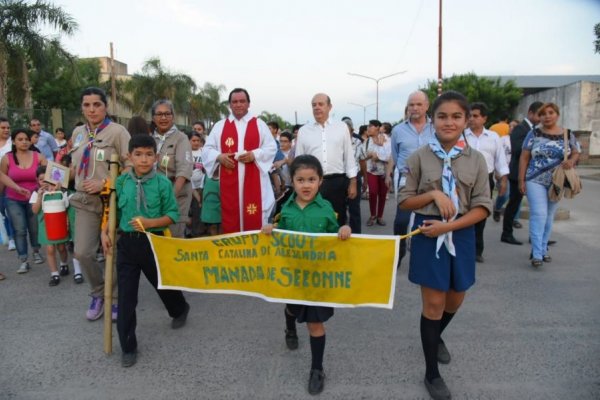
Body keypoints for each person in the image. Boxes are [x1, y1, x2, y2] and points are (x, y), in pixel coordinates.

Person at [399, 91, 492, 400]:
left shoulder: (477, 160)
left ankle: (435, 336)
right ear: (432, 120)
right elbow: (404, 200)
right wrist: (433, 195)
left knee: (455, 300)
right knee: (434, 305)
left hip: (460, 234)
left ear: (466, 120)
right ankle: (431, 373)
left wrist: (449, 226)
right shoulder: (419, 156)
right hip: (428, 233)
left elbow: (482, 207)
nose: (449, 122)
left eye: (456, 116)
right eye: (442, 116)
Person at [262, 154, 351, 395]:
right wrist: (272, 229)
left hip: (318, 279)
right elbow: (279, 232)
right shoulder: (285, 207)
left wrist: (344, 229)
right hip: (292, 276)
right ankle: (290, 325)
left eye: (312, 179)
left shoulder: (326, 210)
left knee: (315, 323)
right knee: (292, 308)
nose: (306, 185)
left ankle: (316, 369)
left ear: (320, 181)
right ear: (292, 181)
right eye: (300, 180)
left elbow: (336, 236)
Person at [101, 134, 190, 368]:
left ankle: (179, 309)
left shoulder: (162, 183)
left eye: (149, 154)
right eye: (138, 154)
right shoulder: (120, 182)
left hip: (154, 241)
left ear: (156, 157)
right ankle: (128, 346)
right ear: (129, 157)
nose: (143, 159)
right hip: (127, 245)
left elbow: (172, 214)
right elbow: (112, 213)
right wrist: (104, 232)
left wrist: (149, 223)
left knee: (163, 285)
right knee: (127, 298)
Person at [70, 86, 131, 321]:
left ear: (105, 107)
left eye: (97, 104)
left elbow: (130, 166)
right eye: (87, 105)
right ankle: (98, 293)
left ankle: (114, 298)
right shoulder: (78, 133)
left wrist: (105, 182)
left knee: (111, 252)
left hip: (111, 201)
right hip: (84, 201)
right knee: (82, 253)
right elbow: (75, 167)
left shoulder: (117, 132)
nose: (92, 109)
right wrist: (55, 180)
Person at [202, 88, 277, 233]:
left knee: (254, 220)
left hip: (255, 183)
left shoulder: (259, 124)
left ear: (248, 104)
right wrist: (219, 157)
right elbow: (207, 149)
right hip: (229, 183)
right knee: (231, 219)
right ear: (230, 105)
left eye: (242, 101)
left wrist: (254, 154)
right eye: (234, 102)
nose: (238, 104)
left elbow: (271, 148)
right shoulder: (220, 126)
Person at [519, 102, 580, 267]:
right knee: (539, 214)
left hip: (557, 181)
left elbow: (576, 152)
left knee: (548, 216)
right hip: (535, 179)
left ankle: (543, 248)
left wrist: (572, 161)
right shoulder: (533, 134)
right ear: (539, 117)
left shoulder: (568, 134)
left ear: (557, 115)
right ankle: (537, 253)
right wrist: (521, 180)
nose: (547, 116)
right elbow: (524, 158)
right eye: (543, 114)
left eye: (551, 113)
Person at [385, 91, 435, 268]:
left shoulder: (435, 128)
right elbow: (396, 156)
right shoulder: (398, 130)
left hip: (432, 182)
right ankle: (398, 253)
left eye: (419, 104)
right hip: (407, 180)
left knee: (427, 219)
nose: (414, 108)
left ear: (427, 106)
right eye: (411, 104)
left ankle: (422, 256)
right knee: (402, 221)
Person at [294, 93, 358, 226]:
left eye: (321, 104)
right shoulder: (304, 131)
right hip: (313, 184)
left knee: (337, 219)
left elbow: (348, 156)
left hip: (337, 182)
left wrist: (353, 181)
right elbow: (299, 161)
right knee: (314, 219)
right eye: (314, 105)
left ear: (330, 107)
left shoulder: (341, 127)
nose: (317, 107)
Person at [464, 102, 508, 263]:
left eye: (476, 116)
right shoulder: (461, 135)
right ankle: (463, 247)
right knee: (463, 213)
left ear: (484, 118)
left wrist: (503, 181)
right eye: (469, 116)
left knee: (480, 214)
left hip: (485, 180)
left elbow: (500, 161)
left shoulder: (493, 137)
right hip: (463, 180)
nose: (472, 119)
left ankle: (477, 250)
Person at [1, 128, 48, 273]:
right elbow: (2, 176)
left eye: (27, 139)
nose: (24, 142)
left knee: (34, 227)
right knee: (19, 229)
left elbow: (48, 174)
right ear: (14, 142)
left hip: (34, 198)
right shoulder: (7, 158)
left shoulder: (38, 156)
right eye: (20, 139)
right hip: (13, 198)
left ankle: (36, 251)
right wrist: (16, 188)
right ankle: (23, 259)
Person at [501, 102, 543, 245]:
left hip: (533, 173)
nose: (541, 118)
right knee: (514, 204)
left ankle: (535, 237)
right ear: (530, 113)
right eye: (539, 115)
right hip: (517, 173)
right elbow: (518, 150)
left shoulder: (537, 129)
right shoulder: (520, 128)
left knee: (536, 208)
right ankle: (506, 233)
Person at [151, 99, 193, 238]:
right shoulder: (151, 139)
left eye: (167, 114)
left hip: (176, 194)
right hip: (155, 196)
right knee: (156, 236)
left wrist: (170, 197)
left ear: (173, 116)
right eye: (159, 114)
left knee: (173, 235)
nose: (163, 118)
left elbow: (184, 171)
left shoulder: (181, 139)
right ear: (153, 118)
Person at [30, 166, 72, 286]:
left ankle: (64, 264)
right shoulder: (36, 193)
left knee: (61, 247)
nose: (44, 183)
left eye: (47, 179)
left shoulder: (60, 192)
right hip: (45, 225)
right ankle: (54, 273)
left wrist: (57, 192)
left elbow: (66, 205)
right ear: (37, 181)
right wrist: (39, 196)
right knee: (49, 249)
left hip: (58, 224)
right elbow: (35, 210)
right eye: (41, 180)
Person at [364, 119, 391, 227]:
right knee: (373, 192)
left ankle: (380, 216)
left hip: (384, 171)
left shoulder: (386, 139)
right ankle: (372, 215)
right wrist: (370, 155)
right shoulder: (367, 141)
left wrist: (378, 156)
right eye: (368, 126)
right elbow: (363, 156)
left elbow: (389, 156)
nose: (368, 128)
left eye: (371, 126)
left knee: (383, 194)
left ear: (378, 127)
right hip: (371, 171)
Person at [344, 117, 365, 233]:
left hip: (354, 178)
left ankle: (357, 235)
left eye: (348, 130)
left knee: (354, 208)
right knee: (340, 208)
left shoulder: (357, 143)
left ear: (352, 131)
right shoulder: (336, 143)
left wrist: (364, 179)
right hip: (340, 178)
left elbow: (362, 161)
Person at [0, 117, 16, 251]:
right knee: (3, 213)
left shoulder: (13, 144)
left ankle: (12, 238)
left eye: (8, 128)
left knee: (10, 211)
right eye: (3, 128)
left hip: (10, 183)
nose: (6, 130)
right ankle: (8, 236)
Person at [188, 131, 206, 237]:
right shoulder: (186, 152)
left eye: (198, 141)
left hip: (200, 185)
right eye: (193, 140)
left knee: (197, 208)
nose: (196, 143)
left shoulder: (203, 152)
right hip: (188, 185)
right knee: (188, 210)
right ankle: (189, 231)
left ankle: (197, 231)